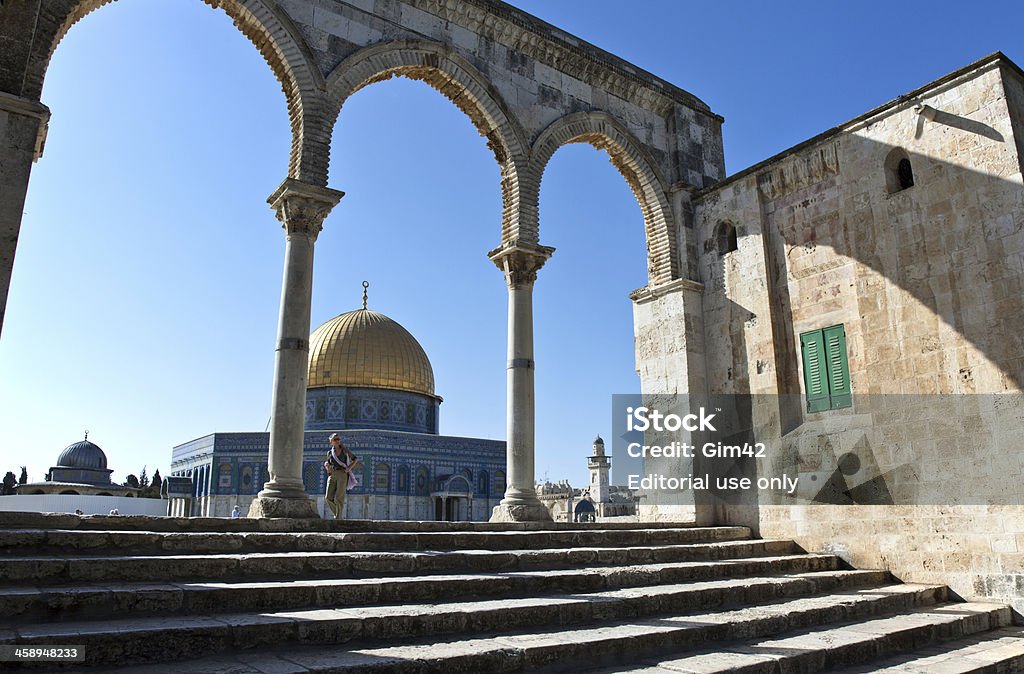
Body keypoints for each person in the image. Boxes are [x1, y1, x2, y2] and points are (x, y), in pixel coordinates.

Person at [324, 433, 361, 519]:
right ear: (331, 442)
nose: (337, 441)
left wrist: (349, 468)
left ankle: (338, 517)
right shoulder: (329, 453)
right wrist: (327, 469)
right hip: (332, 475)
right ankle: (337, 513)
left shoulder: (345, 450)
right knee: (328, 498)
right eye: (335, 439)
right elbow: (328, 463)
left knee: (339, 497)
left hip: (342, 474)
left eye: (338, 439)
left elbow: (355, 459)